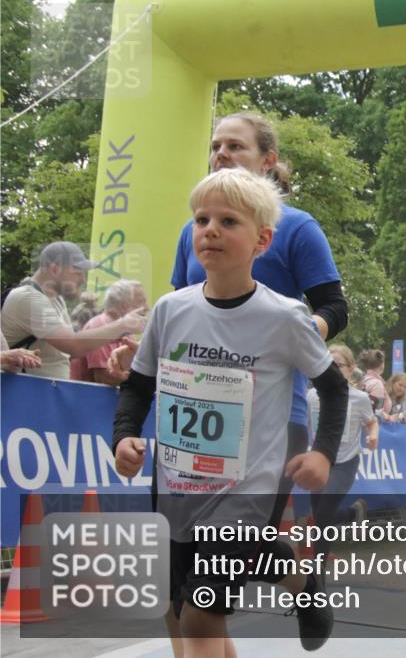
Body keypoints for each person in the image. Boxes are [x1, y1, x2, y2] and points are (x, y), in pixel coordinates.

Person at [112, 169, 349, 656]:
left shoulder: (284, 316)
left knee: (200, 616)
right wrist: (123, 435)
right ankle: (295, 574)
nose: (210, 229)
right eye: (201, 219)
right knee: (185, 612)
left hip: (246, 489)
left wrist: (323, 452)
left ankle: (285, 564)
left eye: (227, 221)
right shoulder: (169, 309)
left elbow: (333, 385)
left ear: (262, 239)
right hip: (176, 486)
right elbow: (137, 386)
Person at [108, 111, 349, 533]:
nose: (221, 154)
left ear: (267, 160)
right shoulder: (194, 231)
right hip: (190, 415)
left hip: (274, 409)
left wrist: (283, 337)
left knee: (228, 552)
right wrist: (144, 353)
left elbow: (335, 307)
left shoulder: (296, 228)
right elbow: (183, 313)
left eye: (235, 146)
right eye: (215, 146)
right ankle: (295, 576)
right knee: (187, 553)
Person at [1, 241, 146, 379]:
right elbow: (74, 345)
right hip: (24, 397)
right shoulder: (28, 298)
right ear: (55, 269)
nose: (83, 280)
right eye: (78, 272)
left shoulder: (55, 299)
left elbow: (65, 352)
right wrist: (123, 324)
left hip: (39, 395)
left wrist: (117, 342)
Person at [309, 344, 378, 563]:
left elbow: (372, 422)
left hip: (346, 461)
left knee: (323, 512)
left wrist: (373, 435)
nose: (332, 369)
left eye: (338, 365)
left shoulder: (359, 398)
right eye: (328, 364)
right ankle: (353, 513)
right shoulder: (311, 395)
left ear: (350, 368)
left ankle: (317, 572)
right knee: (321, 513)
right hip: (320, 459)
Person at [70, 279, 147, 385]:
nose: (147, 308)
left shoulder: (125, 332)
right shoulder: (100, 325)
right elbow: (103, 378)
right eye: (141, 302)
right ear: (123, 305)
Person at [358, 349, 391, 420]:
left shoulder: (361, 380)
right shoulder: (377, 384)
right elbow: (375, 412)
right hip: (370, 427)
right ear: (382, 365)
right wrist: (389, 417)